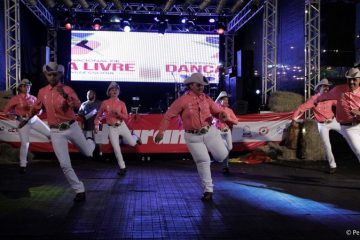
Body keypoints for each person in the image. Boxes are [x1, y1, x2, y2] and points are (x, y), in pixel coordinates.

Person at [154, 73, 229, 201]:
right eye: (199, 85)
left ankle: (220, 144)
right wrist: (161, 132)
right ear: (191, 85)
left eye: (203, 85)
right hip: (193, 137)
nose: (201, 88)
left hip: (210, 132)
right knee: (203, 161)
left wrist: (221, 115)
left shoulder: (206, 98)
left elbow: (216, 112)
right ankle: (208, 190)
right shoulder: (182, 100)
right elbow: (168, 116)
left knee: (222, 156)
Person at [32, 62, 95, 202]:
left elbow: (78, 106)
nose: (52, 77)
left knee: (88, 153)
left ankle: (90, 140)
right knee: (65, 164)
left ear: (59, 74)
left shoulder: (67, 89)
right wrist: (26, 118)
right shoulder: (42, 92)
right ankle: (79, 190)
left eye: (55, 74)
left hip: (71, 126)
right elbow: (36, 108)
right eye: (49, 74)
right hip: (56, 131)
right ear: (46, 75)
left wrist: (66, 96)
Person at [292, 78, 340, 174]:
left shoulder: (331, 97)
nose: (326, 88)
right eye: (324, 86)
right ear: (319, 88)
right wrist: (294, 119)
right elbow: (301, 108)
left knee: (348, 133)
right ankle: (333, 165)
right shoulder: (313, 99)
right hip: (322, 125)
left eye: (327, 86)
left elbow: (340, 104)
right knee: (327, 145)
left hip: (333, 121)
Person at [3, 79, 50, 174]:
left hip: (33, 119)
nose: (27, 87)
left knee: (50, 133)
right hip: (22, 121)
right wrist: (12, 115)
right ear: (20, 87)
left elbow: (40, 111)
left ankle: (61, 155)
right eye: (24, 86)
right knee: (25, 143)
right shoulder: (15, 98)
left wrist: (37, 110)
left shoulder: (33, 98)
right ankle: (23, 165)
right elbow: (6, 110)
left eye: (28, 86)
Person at [316, 67, 360, 169]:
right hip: (349, 128)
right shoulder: (338, 89)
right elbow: (324, 96)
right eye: (349, 79)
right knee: (359, 151)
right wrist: (315, 100)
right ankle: (332, 165)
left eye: (354, 79)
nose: (352, 82)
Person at [94, 82, 139, 176]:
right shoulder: (104, 103)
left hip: (121, 125)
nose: (114, 91)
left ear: (118, 92)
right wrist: (96, 125)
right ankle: (122, 167)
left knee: (132, 143)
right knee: (116, 148)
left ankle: (135, 137)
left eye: (116, 89)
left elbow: (126, 117)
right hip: (111, 128)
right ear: (109, 92)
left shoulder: (122, 103)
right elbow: (98, 116)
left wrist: (119, 114)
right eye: (112, 89)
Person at [213, 91, 239, 174]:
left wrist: (228, 119)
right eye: (224, 100)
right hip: (219, 132)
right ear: (220, 101)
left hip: (227, 131)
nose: (226, 101)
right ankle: (225, 166)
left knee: (230, 148)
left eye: (227, 100)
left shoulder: (229, 110)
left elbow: (236, 121)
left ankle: (221, 158)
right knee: (225, 149)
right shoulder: (216, 109)